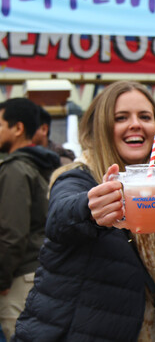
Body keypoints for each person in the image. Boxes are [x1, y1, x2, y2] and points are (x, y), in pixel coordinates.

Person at [14, 81, 155, 341]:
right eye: (121, 117)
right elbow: (61, 216)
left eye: (145, 116)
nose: (135, 124)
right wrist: (89, 209)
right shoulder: (79, 177)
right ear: (102, 127)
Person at [0, 98, 60, 340]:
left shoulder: (15, 169)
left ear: (18, 128)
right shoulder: (43, 164)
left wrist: (1, 278)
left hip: (18, 278)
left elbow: (12, 234)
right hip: (40, 271)